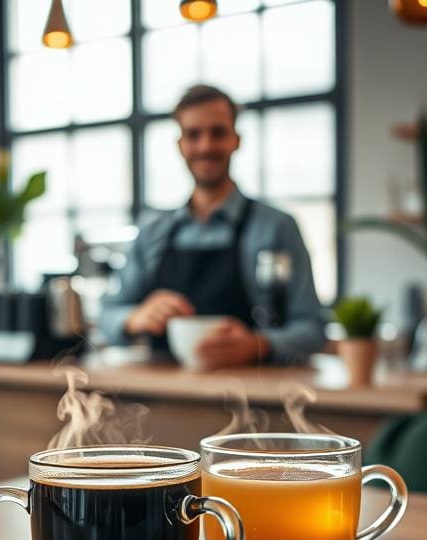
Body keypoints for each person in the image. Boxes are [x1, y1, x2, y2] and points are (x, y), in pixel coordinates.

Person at [98, 84, 325, 368]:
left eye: (217, 133)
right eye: (193, 135)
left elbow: (313, 329)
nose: (206, 146)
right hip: (162, 397)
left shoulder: (277, 228)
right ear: (180, 145)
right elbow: (106, 316)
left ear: (236, 140)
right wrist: (134, 318)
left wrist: (257, 345)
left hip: (252, 398)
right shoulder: (152, 231)